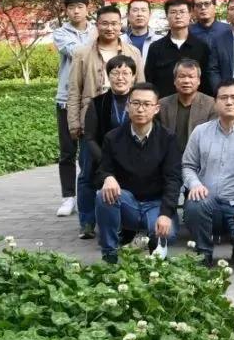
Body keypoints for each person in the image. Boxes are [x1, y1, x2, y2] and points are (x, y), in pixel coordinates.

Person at [182, 79, 234, 267]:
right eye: (224, 97)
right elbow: (188, 165)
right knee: (194, 205)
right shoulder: (200, 132)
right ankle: (203, 252)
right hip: (207, 201)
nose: (229, 102)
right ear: (215, 102)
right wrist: (195, 184)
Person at [94, 83, 180, 264]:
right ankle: (110, 253)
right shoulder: (113, 137)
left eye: (147, 104)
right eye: (136, 103)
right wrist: (108, 177)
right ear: (127, 106)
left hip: (156, 203)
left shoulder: (168, 138)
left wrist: (165, 213)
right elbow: (102, 169)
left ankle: (153, 249)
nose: (141, 109)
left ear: (156, 108)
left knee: (168, 234)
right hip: (128, 202)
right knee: (103, 195)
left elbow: (173, 179)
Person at [68, 5, 145, 160]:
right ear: (97, 25)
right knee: (89, 166)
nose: (110, 28)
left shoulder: (133, 52)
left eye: (114, 23)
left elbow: (141, 87)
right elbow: (74, 90)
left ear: (120, 25)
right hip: (92, 118)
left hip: (125, 118)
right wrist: (73, 122)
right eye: (105, 23)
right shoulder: (82, 53)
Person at [78, 54, 137, 240]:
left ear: (133, 77)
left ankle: (132, 219)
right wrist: (105, 159)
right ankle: (87, 222)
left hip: (133, 152)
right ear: (107, 76)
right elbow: (90, 137)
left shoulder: (140, 101)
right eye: (115, 73)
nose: (120, 78)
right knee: (86, 168)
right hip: (102, 152)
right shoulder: (97, 102)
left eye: (126, 73)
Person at [54, 0, 96, 216]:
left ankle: (90, 194)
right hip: (66, 99)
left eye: (80, 6)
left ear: (88, 8)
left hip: (92, 98)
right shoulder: (60, 33)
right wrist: (98, 46)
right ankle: (68, 197)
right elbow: (75, 52)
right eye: (71, 7)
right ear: (66, 11)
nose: (76, 11)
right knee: (67, 151)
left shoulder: (97, 30)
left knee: (91, 150)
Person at [145, 0, 211, 97]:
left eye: (182, 12)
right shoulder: (155, 47)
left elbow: (206, 80)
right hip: (163, 103)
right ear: (167, 16)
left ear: (190, 15)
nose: (178, 16)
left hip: (195, 103)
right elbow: (150, 79)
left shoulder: (202, 47)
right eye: (173, 12)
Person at [156, 59, 215, 152]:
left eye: (191, 77)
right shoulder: (162, 105)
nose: (186, 81)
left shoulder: (211, 104)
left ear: (199, 81)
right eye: (182, 76)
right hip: (168, 155)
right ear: (175, 80)